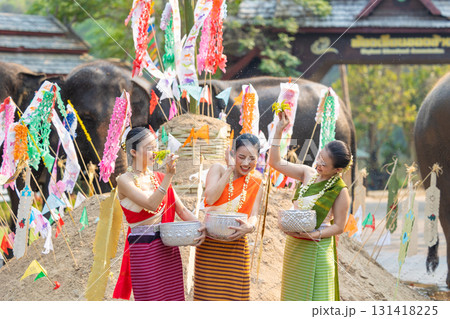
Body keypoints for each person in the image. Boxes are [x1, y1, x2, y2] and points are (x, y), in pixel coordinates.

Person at [113, 127, 205, 301]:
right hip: (144, 248)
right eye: (148, 148)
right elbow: (151, 204)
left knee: (173, 298)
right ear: (133, 152)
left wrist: (201, 226)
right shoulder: (124, 180)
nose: (154, 152)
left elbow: (183, 211)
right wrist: (169, 176)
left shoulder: (158, 177)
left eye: (155, 147)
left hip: (167, 247)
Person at [268, 111, 351, 301]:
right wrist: (279, 130)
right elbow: (275, 162)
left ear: (337, 170)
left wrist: (314, 235)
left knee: (317, 298)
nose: (318, 164)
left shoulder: (340, 191)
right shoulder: (307, 173)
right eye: (319, 157)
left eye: (324, 163)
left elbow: (339, 226)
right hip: (295, 244)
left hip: (317, 247)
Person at [193, 133, 264, 301]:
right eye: (241, 157)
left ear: (258, 158)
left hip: (236, 246)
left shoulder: (256, 180)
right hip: (209, 247)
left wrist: (250, 227)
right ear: (232, 154)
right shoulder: (218, 169)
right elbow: (210, 198)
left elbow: (254, 215)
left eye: (251, 158)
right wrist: (230, 169)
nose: (246, 163)